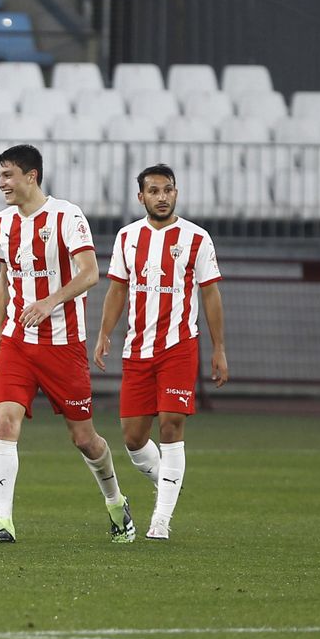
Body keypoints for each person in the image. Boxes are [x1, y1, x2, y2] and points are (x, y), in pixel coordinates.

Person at [0, 143, 132, 544]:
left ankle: (116, 503)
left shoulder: (66, 215)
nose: (2, 183)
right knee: (5, 422)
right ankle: (2, 523)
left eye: (8, 175)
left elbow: (92, 273)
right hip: (16, 342)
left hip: (63, 345)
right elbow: (5, 280)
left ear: (32, 176)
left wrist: (49, 301)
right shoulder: (2, 223)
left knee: (84, 439)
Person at [92, 164, 227, 540]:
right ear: (141, 197)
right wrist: (103, 334)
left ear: (176, 193)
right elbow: (117, 289)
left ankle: (161, 520)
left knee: (171, 425)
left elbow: (211, 294)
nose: (162, 197)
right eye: (154, 191)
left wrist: (219, 348)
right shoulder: (127, 237)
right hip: (138, 349)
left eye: (168, 189)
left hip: (179, 347)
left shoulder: (197, 238)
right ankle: (169, 480)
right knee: (133, 438)